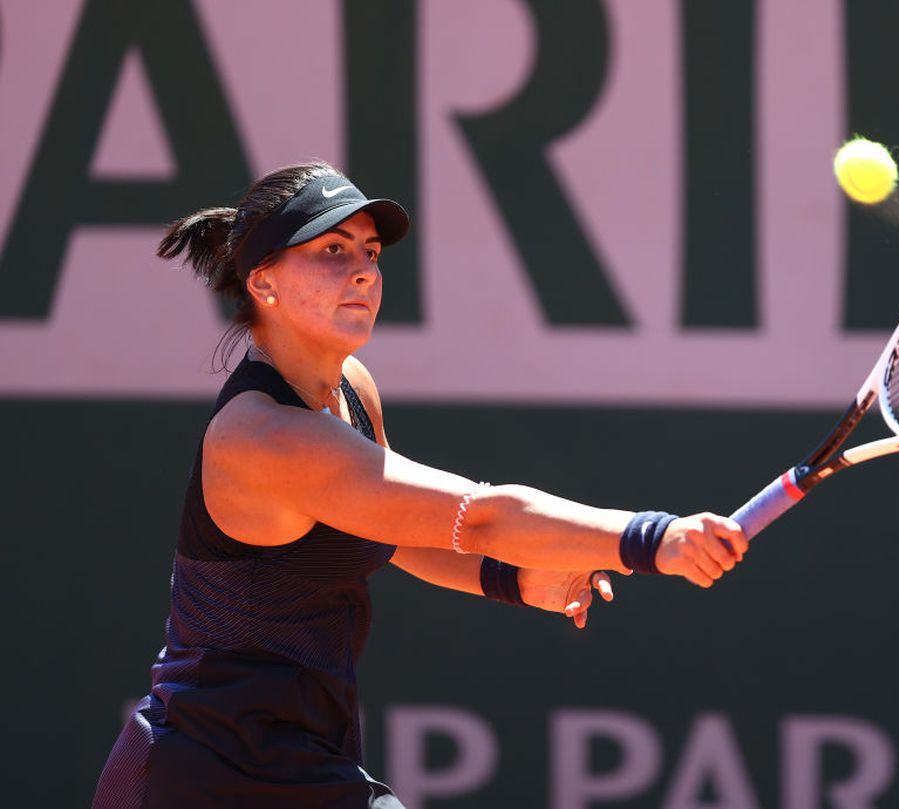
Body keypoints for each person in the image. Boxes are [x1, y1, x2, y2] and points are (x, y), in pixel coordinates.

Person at [92, 160, 749, 808]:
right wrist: (653, 537)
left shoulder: (352, 389)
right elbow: (483, 514)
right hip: (196, 777)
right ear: (264, 283)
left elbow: (396, 531)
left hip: (303, 764)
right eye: (331, 249)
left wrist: (516, 580)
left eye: (370, 252)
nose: (363, 270)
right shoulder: (263, 438)